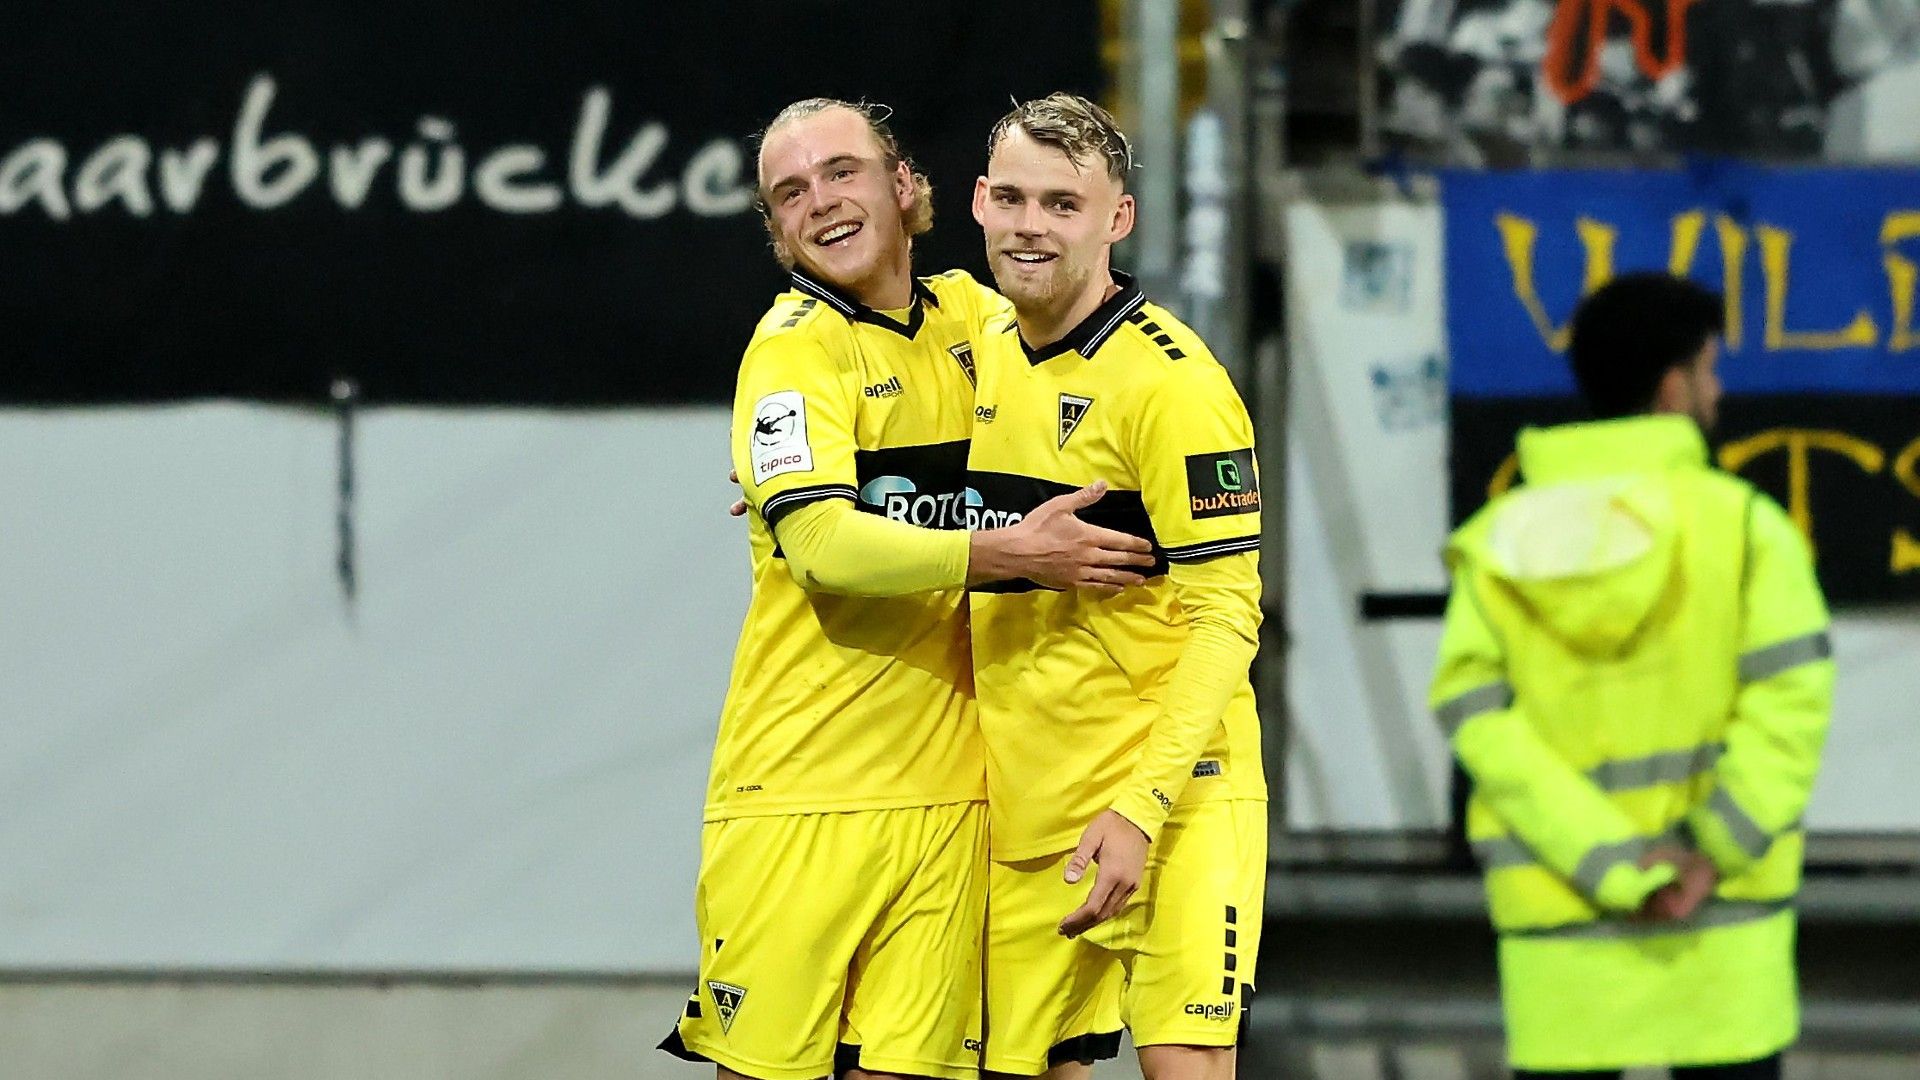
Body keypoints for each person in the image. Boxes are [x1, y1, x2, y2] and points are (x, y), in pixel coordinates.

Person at [661, 98, 1154, 1080]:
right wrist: (1003, 552)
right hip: (802, 792)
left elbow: (1095, 393)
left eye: (840, 172)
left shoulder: (979, 321)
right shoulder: (794, 351)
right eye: (789, 193)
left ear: (903, 186)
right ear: (776, 229)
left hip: (954, 804)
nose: (819, 201)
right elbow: (822, 546)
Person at [1428, 272, 1835, 1079]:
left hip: (1563, 950)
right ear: (1673, 387)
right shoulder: (1747, 530)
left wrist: (1607, 860)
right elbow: (1791, 709)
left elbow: (1478, 720)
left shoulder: (1502, 542)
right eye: (1709, 370)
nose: (1718, 392)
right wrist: (1706, 850)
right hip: (1722, 938)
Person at [964, 93, 1267, 1080]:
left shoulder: (1177, 386)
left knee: (1187, 1068)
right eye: (1013, 199)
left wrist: (1142, 806)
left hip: (1174, 801)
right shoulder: (973, 355)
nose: (1031, 227)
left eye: (1063, 204)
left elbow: (1229, 618)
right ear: (979, 202)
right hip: (1026, 813)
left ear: (1118, 219)